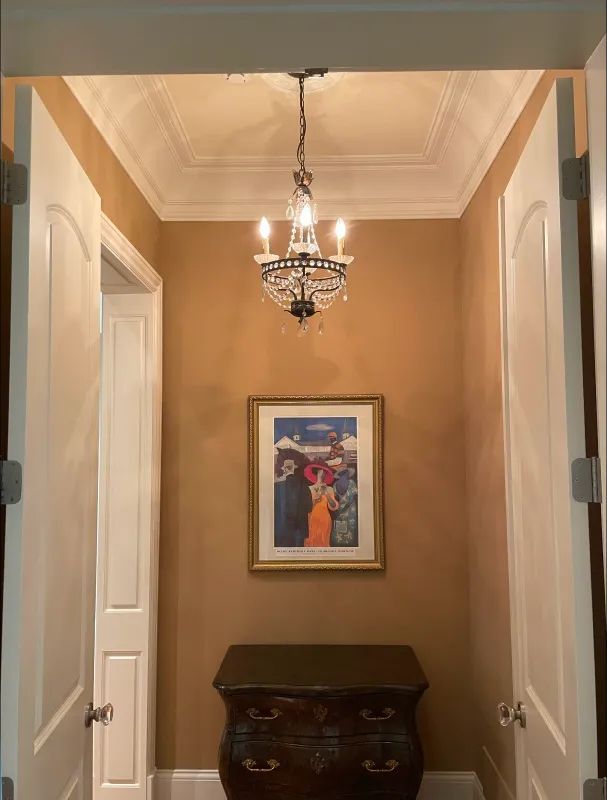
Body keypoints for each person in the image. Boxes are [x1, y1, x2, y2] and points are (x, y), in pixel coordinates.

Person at [275, 450, 312, 547]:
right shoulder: (304, 485)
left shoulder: (277, 486)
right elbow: (309, 507)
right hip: (300, 528)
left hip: (283, 528)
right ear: (294, 468)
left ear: (284, 469)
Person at [304, 465, 338, 548]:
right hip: (312, 519)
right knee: (311, 542)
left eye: (324, 472)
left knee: (324, 542)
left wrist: (326, 494)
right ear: (317, 473)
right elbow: (304, 507)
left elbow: (333, 506)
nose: (322, 474)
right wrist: (315, 500)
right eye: (320, 472)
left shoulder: (329, 489)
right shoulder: (310, 489)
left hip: (325, 519)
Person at [332, 468, 358, 546]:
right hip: (350, 510)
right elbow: (353, 497)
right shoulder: (351, 483)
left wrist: (340, 510)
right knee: (348, 529)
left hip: (341, 511)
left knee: (341, 529)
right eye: (346, 473)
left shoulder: (335, 485)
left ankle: (340, 545)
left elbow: (336, 498)